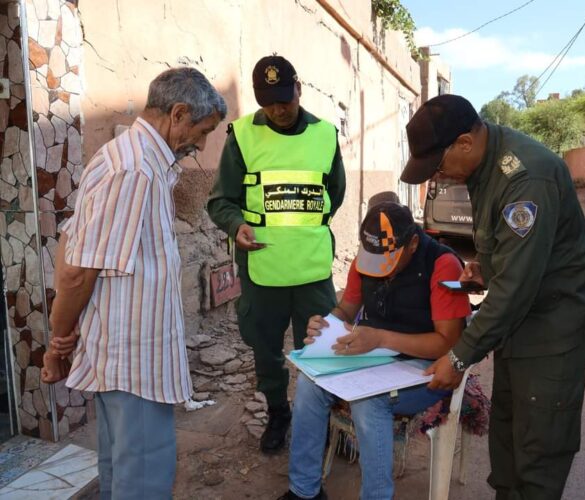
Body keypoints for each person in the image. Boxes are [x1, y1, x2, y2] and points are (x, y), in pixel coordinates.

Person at [400, 94, 585, 500]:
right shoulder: (483, 165)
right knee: (509, 424)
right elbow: (508, 252)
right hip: (522, 315)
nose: (439, 175)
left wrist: (459, 357)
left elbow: (516, 290)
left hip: (556, 321)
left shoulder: (526, 178)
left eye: (439, 164)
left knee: (539, 438)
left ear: (463, 142)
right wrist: (485, 269)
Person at [40, 67, 226, 497]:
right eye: (202, 131)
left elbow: (72, 243)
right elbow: (77, 271)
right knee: (140, 483)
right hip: (134, 365)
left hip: (121, 360)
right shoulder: (136, 171)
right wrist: (58, 341)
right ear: (178, 114)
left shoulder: (121, 156)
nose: (201, 145)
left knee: (120, 474)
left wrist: (62, 339)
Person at [277, 202, 471, 500]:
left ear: (413, 244)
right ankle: (304, 491)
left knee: (368, 402)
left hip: (425, 368)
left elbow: (448, 342)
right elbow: (346, 308)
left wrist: (380, 338)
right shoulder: (368, 258)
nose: (378, 267)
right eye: (372, 258)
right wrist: (327, 325)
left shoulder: (442, 264)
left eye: (388, 260)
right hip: (373, 357)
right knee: (308, 385)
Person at [207, 55, 346, 453]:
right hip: (263, 268)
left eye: (284, 99)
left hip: (312, 269)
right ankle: (278, 412)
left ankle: (318, 417)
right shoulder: (243, 136)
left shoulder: (324, 135)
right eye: (269, 102)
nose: (278, 110)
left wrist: (302, 229)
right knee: (266, 350)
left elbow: (332, 195)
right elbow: (221, 201)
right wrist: (237, 226)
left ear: (298, 90)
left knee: (321, 348)